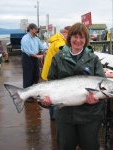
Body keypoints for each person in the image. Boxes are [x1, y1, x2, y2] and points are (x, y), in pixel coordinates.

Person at [41, 22, 106, 150]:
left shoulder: (93, 59)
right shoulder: (58, 58)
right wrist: (46, 100)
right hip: (65, 116)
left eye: (82, 37)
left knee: (91, 147)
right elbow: (51, 82)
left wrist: (97, 99)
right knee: (65, 146)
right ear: (69, 38)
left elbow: (103, 84)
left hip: (89, 116)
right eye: (75, 36)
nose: (78, 40)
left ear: (86, 39)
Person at [41, 26, 71, 120]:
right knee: (53, 95)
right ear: (66, 33)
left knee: (52, 94)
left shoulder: (56, 39)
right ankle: (54, 117)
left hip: (48, 71)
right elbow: (64, 51)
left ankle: (53, 115)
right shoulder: (59, 42)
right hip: (52, 73)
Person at [21, 23, 48, 103]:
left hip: (35, 58)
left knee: (35, 76)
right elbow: (28, 51)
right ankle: (26, 96)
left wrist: (48, 49)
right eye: (36, 29)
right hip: (27, 58)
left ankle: (33, 93)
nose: (37, 30)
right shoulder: (25, 38)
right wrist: (38, 56)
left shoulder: (36, 38)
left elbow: (42, 46)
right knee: (28, 77)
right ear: (30, 29)